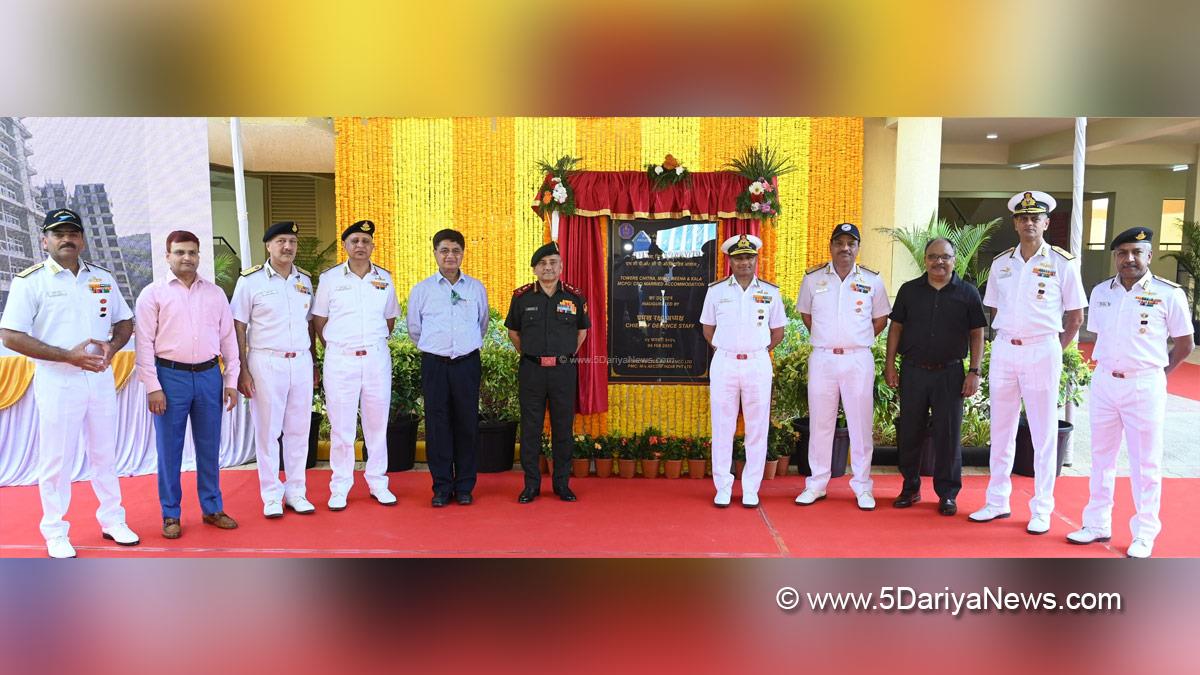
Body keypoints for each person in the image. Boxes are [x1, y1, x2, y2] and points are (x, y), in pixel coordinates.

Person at [0, 209, 140, 558]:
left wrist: (113, 345)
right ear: (44, 240)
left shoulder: (102, 278)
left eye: (72, 233)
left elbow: (125, 322)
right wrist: (67, 356)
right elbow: (10, 336)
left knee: (105, 453)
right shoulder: (30, 281)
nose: (67, 239)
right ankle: (55, 529)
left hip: (99, 378)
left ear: (82, 239)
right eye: (58, 233)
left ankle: (112, 519)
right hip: (57, 381)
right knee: (56, 458)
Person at [1066, 227, 1194, 558]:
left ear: (1149, 256)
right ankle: (1096, 523)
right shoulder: (1101, 292)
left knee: (1145, 462)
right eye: (1122, 253)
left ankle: (1144, 532)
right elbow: (1099, 336)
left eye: (1137, 252)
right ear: (1115, 257)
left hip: (1144, 384)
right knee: (1101, 457)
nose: (1129, 259)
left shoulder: (1169, 294)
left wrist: (1159, 373)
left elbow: (1184, 344)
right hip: (1106, 381)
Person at [969, 191, 1086, 535]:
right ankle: (997, 500)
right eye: (1023, 218)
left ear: (1047, 223)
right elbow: (993, 310)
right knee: (1001, 427)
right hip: (1006, 347)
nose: (1029, 223)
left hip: (1042, 349)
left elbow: (1075, 317)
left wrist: (1053, 348)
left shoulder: (1064, 263)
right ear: (1015, 223)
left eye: (1036, 218)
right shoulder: (1001, 263)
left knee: (1043, 431)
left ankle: (1042, 508)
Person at [134, 230, 241, 540]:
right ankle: (171, 514)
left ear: (198, 255)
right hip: (169, 377)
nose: (186, 258)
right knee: (170, 449)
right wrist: (153, 386)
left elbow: (228, 340)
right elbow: (144, 345)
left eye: (192, 252)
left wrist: (230, 380)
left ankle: (212, 508)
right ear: (168, 256)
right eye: (179, 252)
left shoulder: (216, 294)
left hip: (209, 376)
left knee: (210, 446)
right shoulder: (152, 294)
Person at [884, 238, 987, 516]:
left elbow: (978, 333)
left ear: (954, 259)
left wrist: (974, 371)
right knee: (910, 433)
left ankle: (948, 494)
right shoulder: (909, 290)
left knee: (948, 435)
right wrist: (889, 364)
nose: (938, 262)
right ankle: (910, 487)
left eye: (945, 256)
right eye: (933, 257)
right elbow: (896, 328)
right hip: (914, 371)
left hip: (950, 374)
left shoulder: (968, 293)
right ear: (925, 260)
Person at [794, 223, 890, 510]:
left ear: (858, 247)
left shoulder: (872, 280)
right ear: (831, 246)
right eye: (839, 242)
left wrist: (854, 341)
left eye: (851, 243)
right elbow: (806, 315)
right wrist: (830, 340)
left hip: (857, 359)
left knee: (860, 425)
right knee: (821, 423)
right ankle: (817, 483)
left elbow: (880, 320)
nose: (845, 248)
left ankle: (862, 486)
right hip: (823, 358)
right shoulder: (813, 279)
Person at [230, 221, 319, 519]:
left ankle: (296, 491)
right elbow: (237, 326)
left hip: (301, 362)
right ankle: (271, 494)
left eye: (292, 241)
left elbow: (309, 324)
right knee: (268, 430)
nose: (287, 247)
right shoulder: (251, 280)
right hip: (266, 361)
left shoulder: (304, 280)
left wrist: (315, 362)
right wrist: (242, 369)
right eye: (281, 241)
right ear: (268, 246)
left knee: (298, 429)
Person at [312, 219, 400, 511]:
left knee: (377, 425)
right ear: (345, 246)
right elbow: (319, 320)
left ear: (373, 246)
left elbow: (389, 319)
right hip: (341, 359)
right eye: (355, 241)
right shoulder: (330, 279)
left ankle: (378, 482)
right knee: (342, 427)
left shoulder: (384, 279)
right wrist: (337, 347)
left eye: (365, 241)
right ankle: (340, 486)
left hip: (375, 358)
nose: (360, 246)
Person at [698, 234, 785, 508]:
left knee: (757, 428)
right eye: (739, 257)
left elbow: (778, 331)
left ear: (756, 259)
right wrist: (728, 348)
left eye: (749, 257)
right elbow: (708, 329)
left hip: (757, 363)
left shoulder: (770, 292)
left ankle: (751, 488)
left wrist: (756, 349)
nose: (744, 262)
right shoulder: (716, 291)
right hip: (724, 362)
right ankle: (723, 486)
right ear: (730, 261)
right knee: (722, 426)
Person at [407, 229, 489, 507]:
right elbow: (415, 330)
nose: (450, 256)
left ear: (463, 253)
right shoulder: (422, 290)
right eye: (444, 250)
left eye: (455, 250)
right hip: (435, 365)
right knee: (437, 425)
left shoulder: (475, 288)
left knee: (467, 424)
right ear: (435, 253)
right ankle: (441, 487)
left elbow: (483, 324)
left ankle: (465, 486)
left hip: (467, 364)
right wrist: (439, 349)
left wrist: (463, 346)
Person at [504, 241, 589, 503]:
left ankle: (562, 484)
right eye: (542, 264)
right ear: (534, 269)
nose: (548, 267)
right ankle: (531, 486)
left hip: (563, 371)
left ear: (561, 266)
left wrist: (561, 357)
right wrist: (533, 357)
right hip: (532, 371)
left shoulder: (574, 296)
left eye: (553, 262)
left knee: (563, 428)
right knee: (530, 429)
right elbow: (513, 333)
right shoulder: (522, 297)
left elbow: (581, 332)